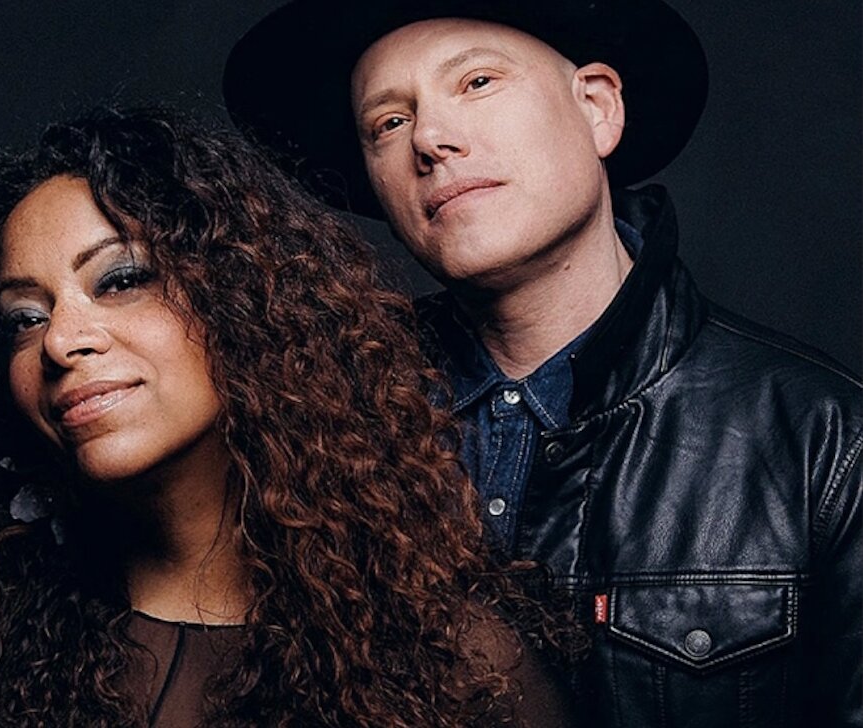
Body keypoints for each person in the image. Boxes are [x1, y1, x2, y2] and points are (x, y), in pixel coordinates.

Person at [0, 107, 583, 726]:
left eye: (120, 279)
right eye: (24, 318)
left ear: (244, 306)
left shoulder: (455, 665)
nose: (60, 341)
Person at [222, 2, 863, 726]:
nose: (428, 139)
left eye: (477, 82)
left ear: (598, 108)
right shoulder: (321, 424)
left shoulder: (825, 441)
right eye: (389, 123)